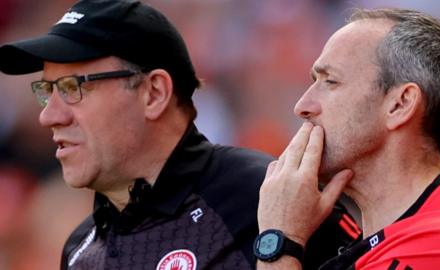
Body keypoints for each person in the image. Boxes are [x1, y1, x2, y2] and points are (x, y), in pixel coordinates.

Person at [0, 0, 360, 269]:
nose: (49, 115)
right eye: (47, 91)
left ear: (154, 93)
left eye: (71, 87)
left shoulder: (266, 197)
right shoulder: (81, 248)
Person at [255, 8, 440, 270]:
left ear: (400, 105)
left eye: (330, 81)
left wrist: (280, 239)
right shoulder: (391, 238)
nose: (302, 106)